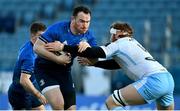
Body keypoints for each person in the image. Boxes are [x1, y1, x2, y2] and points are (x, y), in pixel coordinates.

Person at [45, 21, 175, 110]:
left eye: (113, 33)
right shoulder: (132, 43)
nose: (111, 36)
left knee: (111, 102)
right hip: (167, 79)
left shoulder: (120, 43)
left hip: (153, 81)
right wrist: (95, 64)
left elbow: (94, 52)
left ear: (118, 33)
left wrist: (63, 46)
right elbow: (117, 64)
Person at [33, 5, 97, 110]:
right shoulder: (58, 29)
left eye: (87, 22)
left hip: (64, 71)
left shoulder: (89, 36)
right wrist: (57, 59)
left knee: (71, 109)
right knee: (59, 105)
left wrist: (89, 50)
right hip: (45, 70)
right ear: (73, 19)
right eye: (81, 21)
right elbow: (37, 47)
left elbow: (95, 59)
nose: (85, 25)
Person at [8, 22, 47, 110]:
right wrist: (38, 94)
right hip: (20, 94)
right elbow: (24, 80)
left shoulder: (34, 47)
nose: (44, 39)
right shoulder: (29, 55)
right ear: (33, 36)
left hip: (30, 91)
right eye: (40, 36)